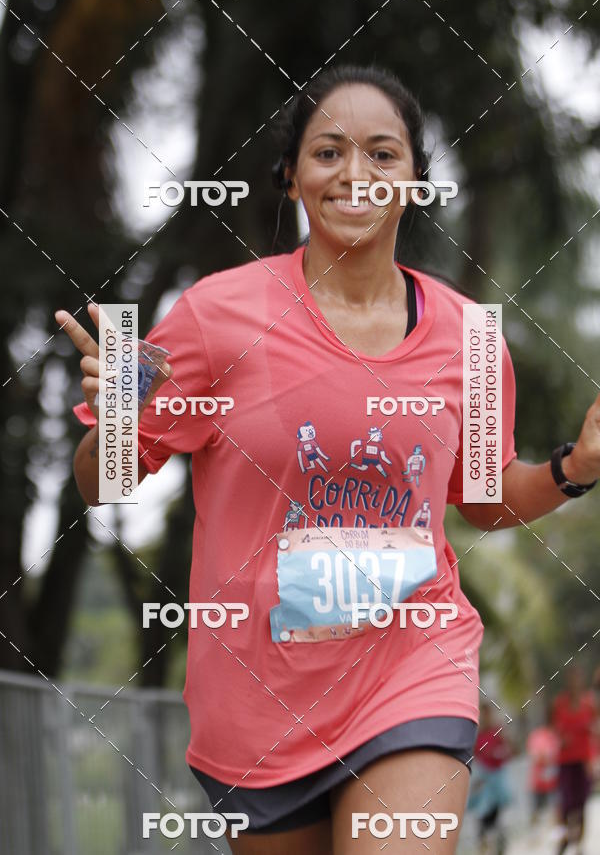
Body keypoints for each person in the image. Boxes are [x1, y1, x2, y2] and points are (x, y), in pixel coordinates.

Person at [55, 64, 600, 854]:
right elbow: (103, 483)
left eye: (383, 154)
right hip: (258, 705)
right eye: (328, 152)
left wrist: (573, 468)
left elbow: (481, 500)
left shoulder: (470, 339)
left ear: (416, 180)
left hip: (412, 666)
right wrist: (115, 419)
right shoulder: (217, 316)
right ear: (292, 178)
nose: (355, 174)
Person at [552, 666, 597, 854]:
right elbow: (555, 729)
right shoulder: (560, 703)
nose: (575, 682)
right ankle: (566, 836)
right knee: (567, 803)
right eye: (572, 679)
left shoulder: (589, 702)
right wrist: (561, 739)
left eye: (578, 678)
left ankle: (579, 844)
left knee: (582, 803)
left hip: (584, 760)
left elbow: (596, 727)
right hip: (565, 760)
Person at [469, 702, 513, 853]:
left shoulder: (498, 732)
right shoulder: (477, 736)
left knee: (498, 815)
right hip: (484, 779)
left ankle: (499, 843)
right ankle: (484, 843)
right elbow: (474, 757)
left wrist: (499, 753)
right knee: (483, 813)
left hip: (498, 780)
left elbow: (508, 751)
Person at [526, 711, 559, 824]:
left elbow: (555, 754)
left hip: (552, 781)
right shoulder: (536, 735)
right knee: (536, 810)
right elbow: (535, 755)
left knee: (555, 807)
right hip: (538, 781)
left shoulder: (554, 736)